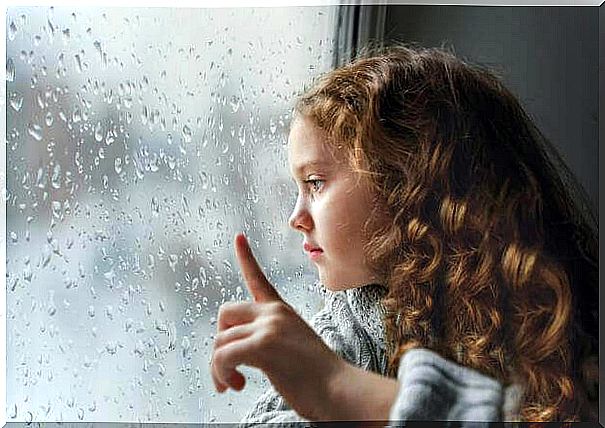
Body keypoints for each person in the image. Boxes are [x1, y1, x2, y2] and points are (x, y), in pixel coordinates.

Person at [209, 44, 599, 424]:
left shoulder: (567, 329)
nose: (296, 217)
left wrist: (337, 389)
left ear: (405, 184)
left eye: (315, 183)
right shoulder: (356, 320)